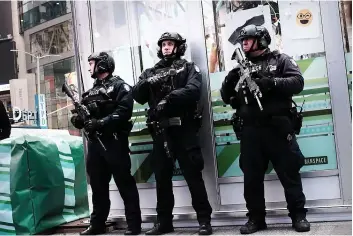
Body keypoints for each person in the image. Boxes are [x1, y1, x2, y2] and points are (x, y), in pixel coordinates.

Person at [220, 25, 310, 234]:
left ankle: (298, 216)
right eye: (242, 41)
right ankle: (256, 219)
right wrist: (229, 82)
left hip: (278, 128)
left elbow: (297, 82)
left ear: (261, 40)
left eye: (248, 39)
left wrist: (272, 83)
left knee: (289, 173)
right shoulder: (239, 68)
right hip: (251, 131)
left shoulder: (280, 60)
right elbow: (226, 97)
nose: (244, 43)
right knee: (251, 178)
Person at [132, 32, 213, 235]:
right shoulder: (150, 72)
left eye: (170, 44)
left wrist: (169, 98)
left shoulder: (188, 68)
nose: (166, 47)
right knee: (162, 179)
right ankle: (164, 223)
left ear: (178, 47)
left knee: (193, 177)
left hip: (183, 130)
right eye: (164, 44)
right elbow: (138, 96)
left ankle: (204, 221)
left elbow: (194, 90)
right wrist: (147, 83)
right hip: (161, 132)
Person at [71, 52, 142, 235]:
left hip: (114, 142)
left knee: (125, 184)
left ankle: (134, 225)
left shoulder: (120, 86)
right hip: (95, 145)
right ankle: (97, 224)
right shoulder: (89, 92)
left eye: (91, 63)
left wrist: (102, 122)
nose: (89, 67)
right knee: (97, 186)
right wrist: (79, 120)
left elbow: (124, 111)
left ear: (102, 64)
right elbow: (83, 115)